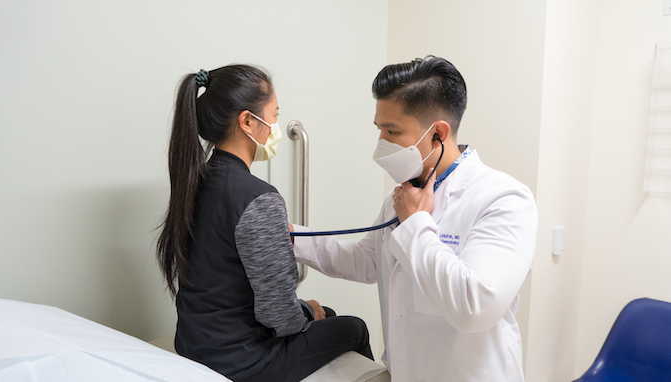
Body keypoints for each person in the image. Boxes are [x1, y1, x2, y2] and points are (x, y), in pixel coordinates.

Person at [290, 56, 538, 381]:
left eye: (392, 131)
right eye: (379, 129)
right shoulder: (407, 194)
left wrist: (416, 225)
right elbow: (367, 260)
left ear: (438, 133)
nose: (382, 144)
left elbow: (475, 306)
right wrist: (291, 235)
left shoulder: (503, 198)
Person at [156, 64, 373, 382]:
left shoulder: (194, 182)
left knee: (323, 314)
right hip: (245, 363)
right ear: (247, 121)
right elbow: (281, 319)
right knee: (354, 327)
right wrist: (308, 310)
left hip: (195, 346)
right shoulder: (258, 198)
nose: (274, 126)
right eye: (273, 115)